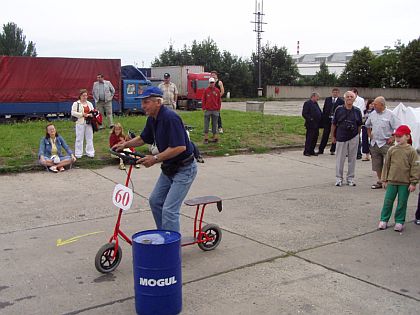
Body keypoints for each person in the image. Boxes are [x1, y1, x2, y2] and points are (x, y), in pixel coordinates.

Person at [112, 86, 197, 233]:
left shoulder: (171, 118)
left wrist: (155, 158)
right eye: (142, 102)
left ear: (158, 102)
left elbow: (180, 147)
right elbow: (144, 138)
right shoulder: (152, 118)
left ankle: (171, 250)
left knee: (169, 210)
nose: (143, 106)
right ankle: (164, 235)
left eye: (146, 102)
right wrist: (125, 145)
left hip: (185, 168)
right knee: (155, 201)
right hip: (169, 167)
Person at [378, 125, 419, 232]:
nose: (397, 138)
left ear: (407, 137)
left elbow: (415, 167)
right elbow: (386, 165)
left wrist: (413, 182)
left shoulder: (412, 151)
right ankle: (384, 219)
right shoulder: (392, 150)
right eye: (396, 136)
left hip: (405, 183)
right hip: (391, 181)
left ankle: (399, 221)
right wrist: (384, 179)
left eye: (400, 136)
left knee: (402, 203)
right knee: (388, 201)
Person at [365, 96, 401, 189]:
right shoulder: (372, 114)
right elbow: (367, 125)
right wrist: (369, 134)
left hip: (386, 143)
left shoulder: (390, 114)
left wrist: (393, 138)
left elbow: (398, 128)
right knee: (377, 164)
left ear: (382, 105)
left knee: (388, 163)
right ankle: (380, 181)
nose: (374, 106)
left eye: (375, 105)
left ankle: (388, 181)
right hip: (374, 143)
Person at [331, 91, 363, 186]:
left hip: (353, 137)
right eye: (347, 97)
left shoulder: (357, 110)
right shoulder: (339, 109)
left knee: (352, 159)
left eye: (351, 97)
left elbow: (359, 125)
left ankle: (350, 178)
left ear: (354, 99)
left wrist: (357, 135)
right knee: (340, 159)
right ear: (344, 98)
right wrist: (333, 136)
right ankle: (338, 178)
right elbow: (333, 124)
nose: (349, 98)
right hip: (341, 137)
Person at [318, 88, 344, 155]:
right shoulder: (328, 99)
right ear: (332, 93)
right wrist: (323, 119)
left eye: (336, 92)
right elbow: (325, 109)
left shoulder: (341, 101)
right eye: (334, 92)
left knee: (334, 135)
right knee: (325, 135)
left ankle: (333, 149)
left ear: (338, 93)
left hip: (335, 121)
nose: (335, 93)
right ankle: (321, 149)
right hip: (327, 120)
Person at [71, 89, 95, 158]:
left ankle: (90, 152)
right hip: (80, 122)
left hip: (89, 122)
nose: (85, 97)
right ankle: (78, 153)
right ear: (80, 96)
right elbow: (73, 112)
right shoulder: (76, 104)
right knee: (79, 138)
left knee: (89, 138)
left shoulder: (89, 103)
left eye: (86, 95)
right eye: (83, 95)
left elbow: (93, 111)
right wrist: (82, 114)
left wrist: (91, 115)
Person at [202, 77, 222, 144]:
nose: (212, 84)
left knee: (214, 124)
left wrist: (218, 108)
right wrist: (203, 107)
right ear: (209, 83)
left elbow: (219, 100)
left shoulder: (217, 91)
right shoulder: (206, 90)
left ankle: (215, 137)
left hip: (215, 110)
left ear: (214, 83)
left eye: (213, 82)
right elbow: (203, 99)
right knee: (206, 124)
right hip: (208, 110)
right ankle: (206, 138)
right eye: (210, 82)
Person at [302, 92, 322, 156]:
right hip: (310, 124)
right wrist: (311, 119)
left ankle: (311, 150)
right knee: (309, 138)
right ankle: (307, 151)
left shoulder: (316, 103)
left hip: (317, 124)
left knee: (315, 138)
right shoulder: (307, 103)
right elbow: (304, 113)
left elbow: (319, 112)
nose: (318, 98)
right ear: (313, 96)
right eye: (317, 97)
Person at [351, 88, 366, 159]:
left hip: (357, 120)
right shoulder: (351, 99)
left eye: (353, 94)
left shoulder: (361, 100)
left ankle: (358, 153)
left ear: (356, 93)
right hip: (350, 119)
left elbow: (360, 109)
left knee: (357, 137)